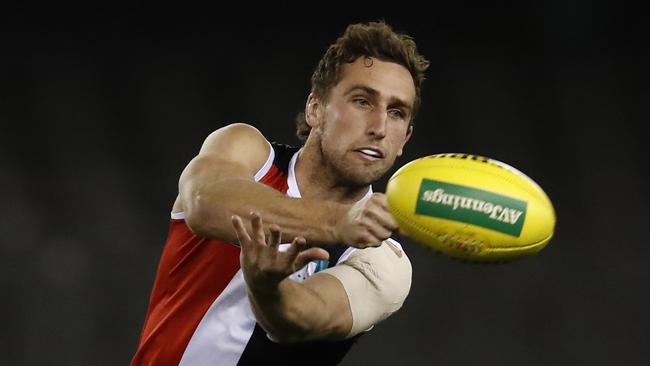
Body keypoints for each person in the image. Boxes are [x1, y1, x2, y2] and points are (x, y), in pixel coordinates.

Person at [131, 20, 429, 366]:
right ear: (315, 109)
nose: (379, 128)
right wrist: (337, 222)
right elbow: (204, 203)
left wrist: (266, 288)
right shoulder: (247, 153)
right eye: (362, 101)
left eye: (396, 113)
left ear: (405, 138)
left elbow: (300, 319)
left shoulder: (384, 261)